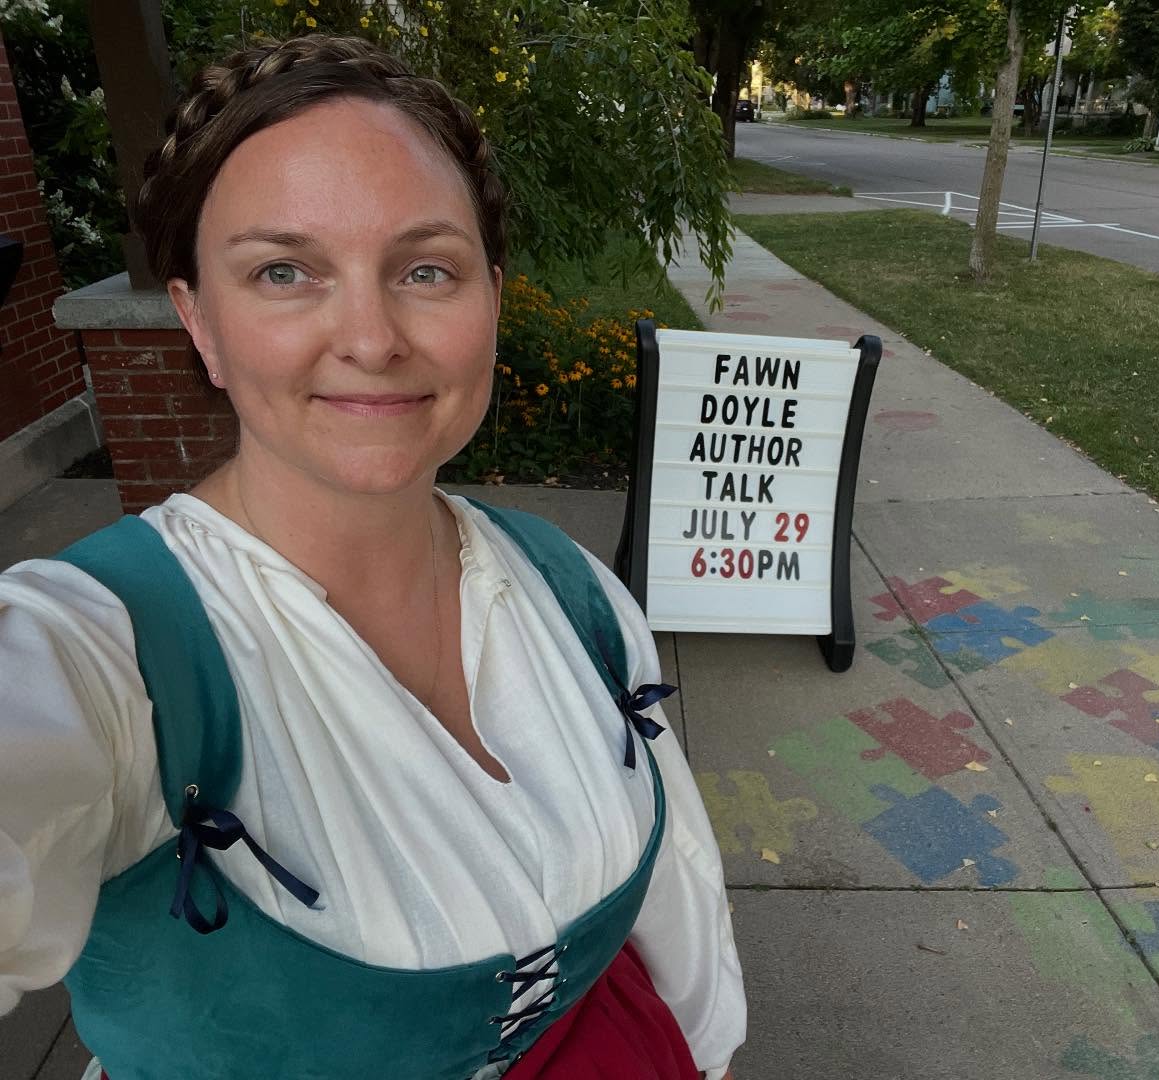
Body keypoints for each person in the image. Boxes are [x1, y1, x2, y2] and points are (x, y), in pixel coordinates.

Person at [0, 34, 744, 1080]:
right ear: (199, 321)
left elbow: (679, 903)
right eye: (284, 271)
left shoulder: (571, 589)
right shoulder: (99, 657)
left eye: (425, 269)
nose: (371, 337)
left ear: (491, 299)